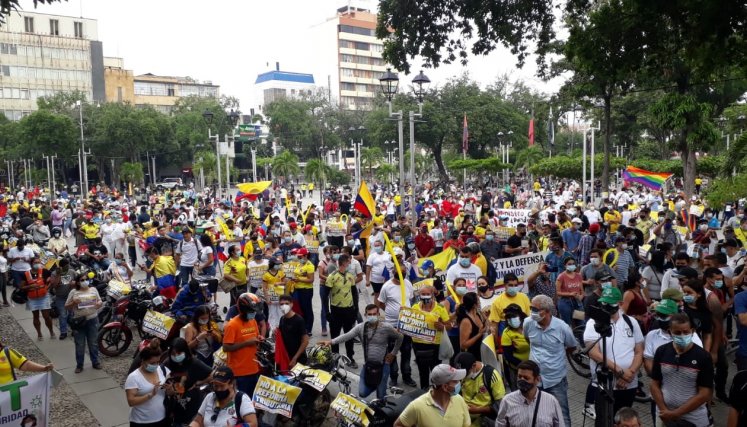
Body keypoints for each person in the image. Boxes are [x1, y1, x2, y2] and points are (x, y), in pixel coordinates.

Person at [583, 287, 644, 420]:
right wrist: (621, 371)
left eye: (610, 304)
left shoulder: (631, 322)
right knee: (604, 420)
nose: (605, 307)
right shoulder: (594, 323)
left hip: (628, 384)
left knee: (624, 419)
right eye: (603, 303)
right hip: (605, 385)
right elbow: (594, 353)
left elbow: (639, 351)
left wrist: (631, 373)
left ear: (620, 304)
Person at [321, 304, 403, 399]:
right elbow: (346, 336)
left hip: (383, 366)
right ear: (365, 315)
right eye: (369, 314)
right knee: (362, 393)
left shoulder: (386, 327)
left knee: (381, 396)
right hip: (368, 365)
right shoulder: (360, 327)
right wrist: (330, 342)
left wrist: (393, 353)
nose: (372, 316)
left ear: (378, 314)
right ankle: (379, 386)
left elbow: (400, 337)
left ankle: (381, 391)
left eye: (374, 314)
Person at [650, 313, 714, 427]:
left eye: (686, 332)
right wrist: (664, 411)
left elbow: (704, 393)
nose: (682, 335)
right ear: (670, 332)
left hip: (694, 418)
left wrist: (676, 413)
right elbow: (654, 384)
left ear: (693, 331)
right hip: (664, 415)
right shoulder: (661, 351)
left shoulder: (703, 357)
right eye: (677, 333)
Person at [523, 294, 576, 427]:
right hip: (535, 380)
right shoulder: (528, 323)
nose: (532, 312)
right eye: (531, 308)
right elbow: (528, 340)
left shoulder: (562, 327)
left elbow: (571, 346)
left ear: (547, 311)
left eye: (535, 309)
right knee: (536, 414)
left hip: (555, 380)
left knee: (562, 416)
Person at [394, 364, 471, 427]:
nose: (459, 383)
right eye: (456, 381)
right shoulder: (417, 406)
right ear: (445, 387)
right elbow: (398, 425)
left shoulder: (459, 400)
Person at [495, 360, 565, 427]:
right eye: (519, 377)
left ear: (537, 380)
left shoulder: (551, 401)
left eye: (526, 378)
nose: (521, 380)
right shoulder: (507, 401)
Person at [162, 338, 212, 427]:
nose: (176, 356)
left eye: (179, 353)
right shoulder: (167, 363)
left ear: (185, 351)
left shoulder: (194, 362)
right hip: (173, 408)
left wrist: (199, 382)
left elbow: (212, 374)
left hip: (192, 406)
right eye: (173, 354)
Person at [377, 272, 416, 387]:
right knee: (391, 351)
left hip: (406, 326)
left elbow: (411, 299)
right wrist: (391, 312)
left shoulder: (407, 283)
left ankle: (407, 376)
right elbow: (381, 303)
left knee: (407, 351)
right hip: (392, 326)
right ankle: (393, 377)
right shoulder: (387, 286)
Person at [222, 293, 262, 396]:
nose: (253, 313)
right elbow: (226, 347)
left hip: (254, 368)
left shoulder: (252, 321)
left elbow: (256, 337)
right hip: (239, 373)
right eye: (251, 311)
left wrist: (260, 339)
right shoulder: (232, 325)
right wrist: (246, 343)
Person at [412, 285, 450, 389]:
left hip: (435, 345)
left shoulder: (440, 308)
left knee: (436, 371)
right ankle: (424, 392)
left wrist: (442, 326)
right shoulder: (414, 307)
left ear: (432, 295)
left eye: (427, 294)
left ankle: (438, 391)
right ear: (419, 295)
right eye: (423, 294)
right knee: (422, 371)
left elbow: (449, 325)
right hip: (418, 345)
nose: (425, 296)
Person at [454, 351, 506, 427]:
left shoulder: (490, 375)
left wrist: (478, 410)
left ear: (474, 366)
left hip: (483, 416)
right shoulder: (462, 374)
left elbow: (500, 406)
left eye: (465, 374)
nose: (462, 377)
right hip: (463, 412)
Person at [65, 272, 103, 373]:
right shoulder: (74, 292)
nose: (85, 281)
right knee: (80, 344)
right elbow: (67, 306)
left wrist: (99, 303)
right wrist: (73, 303)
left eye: (86, 279)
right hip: (79, 321)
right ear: (78, 282)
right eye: (82, 280)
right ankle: (79, 365)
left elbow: (99, 301)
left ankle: (95, 362)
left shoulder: (93, 289)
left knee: (93, 343)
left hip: (93, 319)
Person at [324, 254, 358, 365]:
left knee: (349, 335)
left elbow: (354, 293)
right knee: (335, 336)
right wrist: (327, 312)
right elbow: (325, 296)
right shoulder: (332, 276)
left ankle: (350, 358)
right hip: (336, 310)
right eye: (349, 261)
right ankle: (335, 358)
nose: (350, 263)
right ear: (343, 263)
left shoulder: (350, 276)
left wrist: (356, 309)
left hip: (348, 310)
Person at [125, 346, 170, 427]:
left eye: (158, 362)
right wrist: (150, 395)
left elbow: (170, 390)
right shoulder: (134, 377)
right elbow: (131, 401)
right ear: (143, 361)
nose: (156, 365)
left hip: (162, 418)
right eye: (152, 363)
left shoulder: (162, 370)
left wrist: (170, 389)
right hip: (141, 421)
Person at [22, 259, 55, 340]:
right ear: (31, 264)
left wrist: (49, 283)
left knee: (46, 316)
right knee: (35, 316)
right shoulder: (26, 274)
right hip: (32, 298)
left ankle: (51, 331)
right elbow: (22, 287)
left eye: (39, 262)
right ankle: (39, 334)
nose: (38, 264)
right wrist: (30, 286)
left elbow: (53, 279)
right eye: (35, 263)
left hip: (44, 296)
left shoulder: (45, 271)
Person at [501, 303, 530, 390]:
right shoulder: (507, 333)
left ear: (521, 316)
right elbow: (508, 356)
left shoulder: (529, 326)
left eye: (514, 317)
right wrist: (524, 365)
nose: (512, 320)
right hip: (517, 368)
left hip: (534, 364)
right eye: (509, 318)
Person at [277, 294, 309, 368]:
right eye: (281, 304)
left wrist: (295, 358)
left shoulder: (299, 320)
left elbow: (305, 341)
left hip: (299, 358)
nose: (284, 306)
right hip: (286, 356)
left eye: (287, 303)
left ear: (292, 304)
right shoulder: (282, 319)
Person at [291, 247, 315, 334]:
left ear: (305, 256)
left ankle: (308, 329)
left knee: (307, 309)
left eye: (300, 257)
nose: (299, 258)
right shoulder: (299, 264)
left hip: (306, 290)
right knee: (299, 309)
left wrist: (299, 279)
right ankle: (302, 327)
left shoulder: (310, 266)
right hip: (297, 289)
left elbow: (311, 279)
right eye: (298, 257)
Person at [457, 291, 486, 362]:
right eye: (478, 300)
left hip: (481, 353)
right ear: (473, 304)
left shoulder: (479, 315)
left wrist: (484, 315)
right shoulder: (466, 321)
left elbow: (487, 327)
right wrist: (479, 334)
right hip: (471, 356)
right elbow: (463, 345)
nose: (480, 302)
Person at [556, 257, 584, 328]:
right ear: (565, 265)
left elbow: (582, 291)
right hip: (565, 303)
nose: (571, 265)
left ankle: (579, 338)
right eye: (569, 264)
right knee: (567, 325)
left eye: (573, 264)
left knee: (580, 324)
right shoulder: (561, 276)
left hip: (578, 303)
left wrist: (581, 296)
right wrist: (570, 294)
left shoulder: (578, 276)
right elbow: (558, 292)